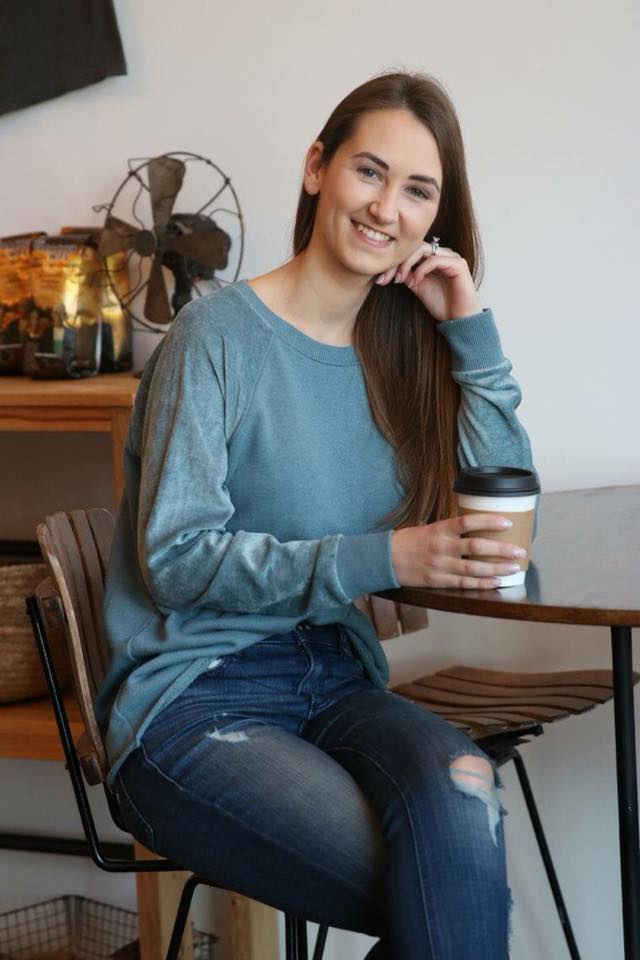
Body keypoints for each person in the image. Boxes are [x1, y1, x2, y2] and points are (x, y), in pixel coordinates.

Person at [96, 70, 534, 959]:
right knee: (452, 892)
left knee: (461, 792)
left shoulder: (402, 355)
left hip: (336, 682)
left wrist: (468, 329)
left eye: (419, 189)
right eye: (370, 172)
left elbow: (503, 517)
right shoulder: (213, 337)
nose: (387, 208)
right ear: (316, 169)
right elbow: (175, 558)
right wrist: (383, 558)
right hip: (194, 700)